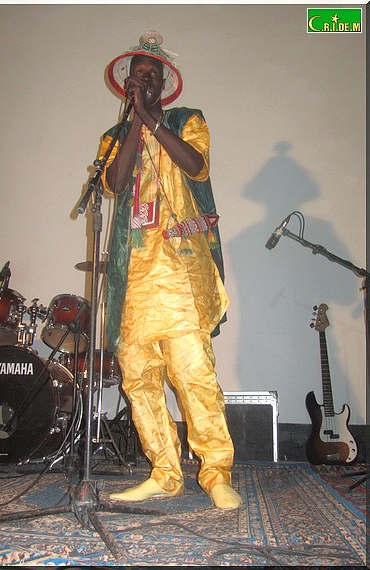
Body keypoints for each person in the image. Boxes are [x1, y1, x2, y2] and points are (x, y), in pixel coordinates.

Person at [98, 31, 242, 510]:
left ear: (164, 85)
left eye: (151, 75)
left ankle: (216, 472)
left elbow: (196, 166)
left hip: (179, 272)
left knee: (193, 374)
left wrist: (151, 120)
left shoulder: (187, 120)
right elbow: (115, 182)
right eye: (137, 75)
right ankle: (164, 473)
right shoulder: (115, 136)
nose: (143, 80)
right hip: (133, 278)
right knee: (138, 378)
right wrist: (134, 123)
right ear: (128, 84)